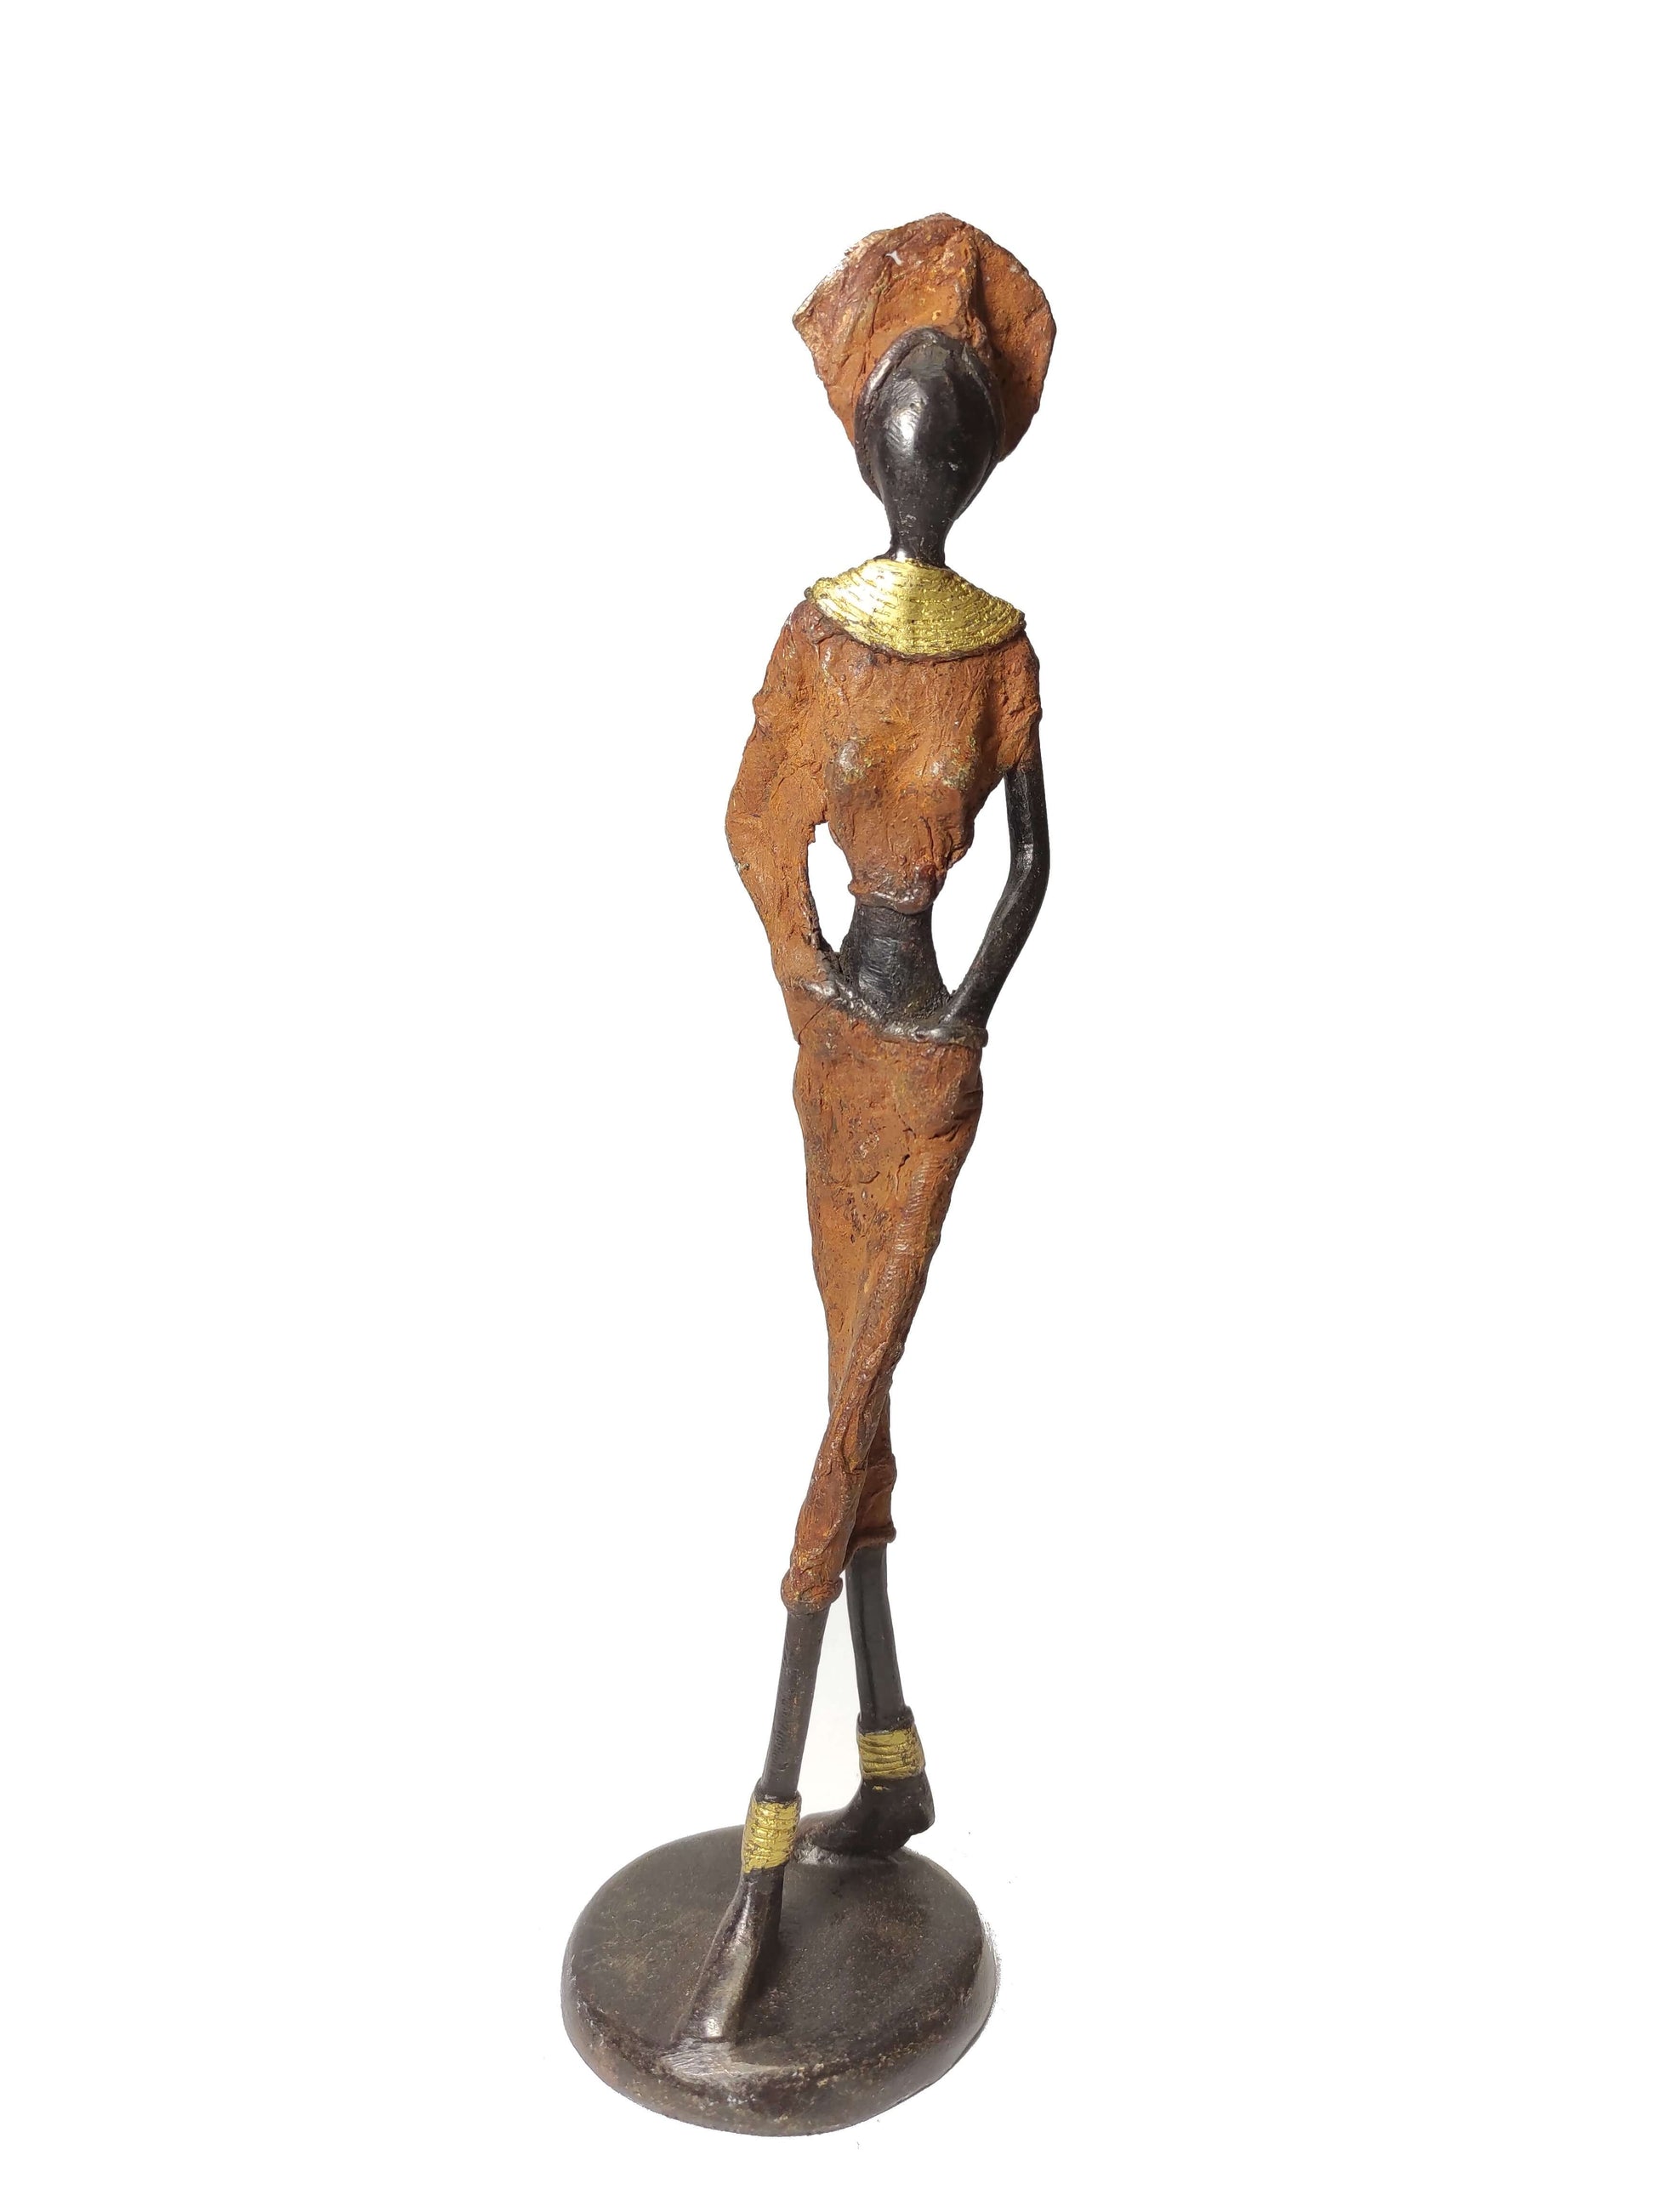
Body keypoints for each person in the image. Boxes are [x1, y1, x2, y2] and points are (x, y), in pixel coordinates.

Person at [683, 214, 1056, 2042]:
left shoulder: (999, 652)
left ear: (978, 459)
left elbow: (1040, 860)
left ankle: (763, 1860)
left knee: (843, 1414)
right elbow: (755, 822)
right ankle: (889, 1761)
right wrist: (805, 966)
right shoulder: (820, 637)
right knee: (860, 1380)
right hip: (834, 1051)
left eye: (952, 430)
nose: (926, 455)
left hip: (926, 1073)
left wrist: (964, 1004)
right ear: (862, 444)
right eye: (904, 424)